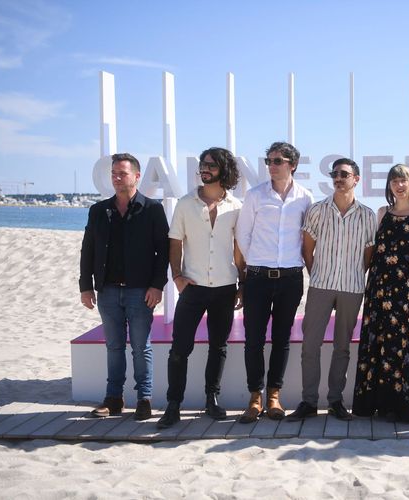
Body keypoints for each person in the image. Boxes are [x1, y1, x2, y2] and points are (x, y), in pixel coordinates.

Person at [157, 147, 244, 429]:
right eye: (203, 165)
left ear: (224, 170)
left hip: (225, 286)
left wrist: (242, 283)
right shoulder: (185, 204)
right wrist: (177, 276)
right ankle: (173, 405)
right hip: (193, 287)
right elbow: (175, 242)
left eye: (211, 165)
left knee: (218, 346)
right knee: (180, 348)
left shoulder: (236, 206)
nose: (204, 169)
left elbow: (239, 248)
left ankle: (211, 399)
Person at [79, 153, 169, 421]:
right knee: (114, 347)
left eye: (123, 173)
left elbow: (163, 252)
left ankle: (144, 399)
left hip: (140, 292)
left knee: (141, 347)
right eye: (114, 174)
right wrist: (86, 286)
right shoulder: (99, 211)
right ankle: (114, 399)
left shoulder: (152, 209)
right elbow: (88, 249)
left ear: (137, 176)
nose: (117, 178)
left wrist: (157, 286)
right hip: (107, 291)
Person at [286, 158, 377, 422]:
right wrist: (318, 275)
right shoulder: (317, 210)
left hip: (351, 288)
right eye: (334, 173)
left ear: (356, 179)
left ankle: (335, 401)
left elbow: (368, 256)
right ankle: (309, 402)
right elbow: (307, 250)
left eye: (344, 174)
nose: (338, 178)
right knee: (310, 345)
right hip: (320, 286)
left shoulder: (367, 215)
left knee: (342, 347)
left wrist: (353, 275)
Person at [235, 141, 314, 423]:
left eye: (278, 160)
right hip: (258, 278)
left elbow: (307, 237)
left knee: (282, 339)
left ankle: (274, 396)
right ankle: (255, 397)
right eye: (269, 160)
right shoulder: (255, 195)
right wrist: (256, 263)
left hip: (291, 278)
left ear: (293, 164)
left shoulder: (305, 197)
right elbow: (243, 235)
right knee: (253, 339)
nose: (271, 165)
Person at [352, 164, 409, 423]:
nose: (399, 185)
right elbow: (371, 250)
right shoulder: (381, 213)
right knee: (378, 341)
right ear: (389, 185)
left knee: (403, 344)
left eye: (403, 180)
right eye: (395, 181)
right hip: (378, 287)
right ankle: (380, 403)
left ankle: (403, 406)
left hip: (405, 290)